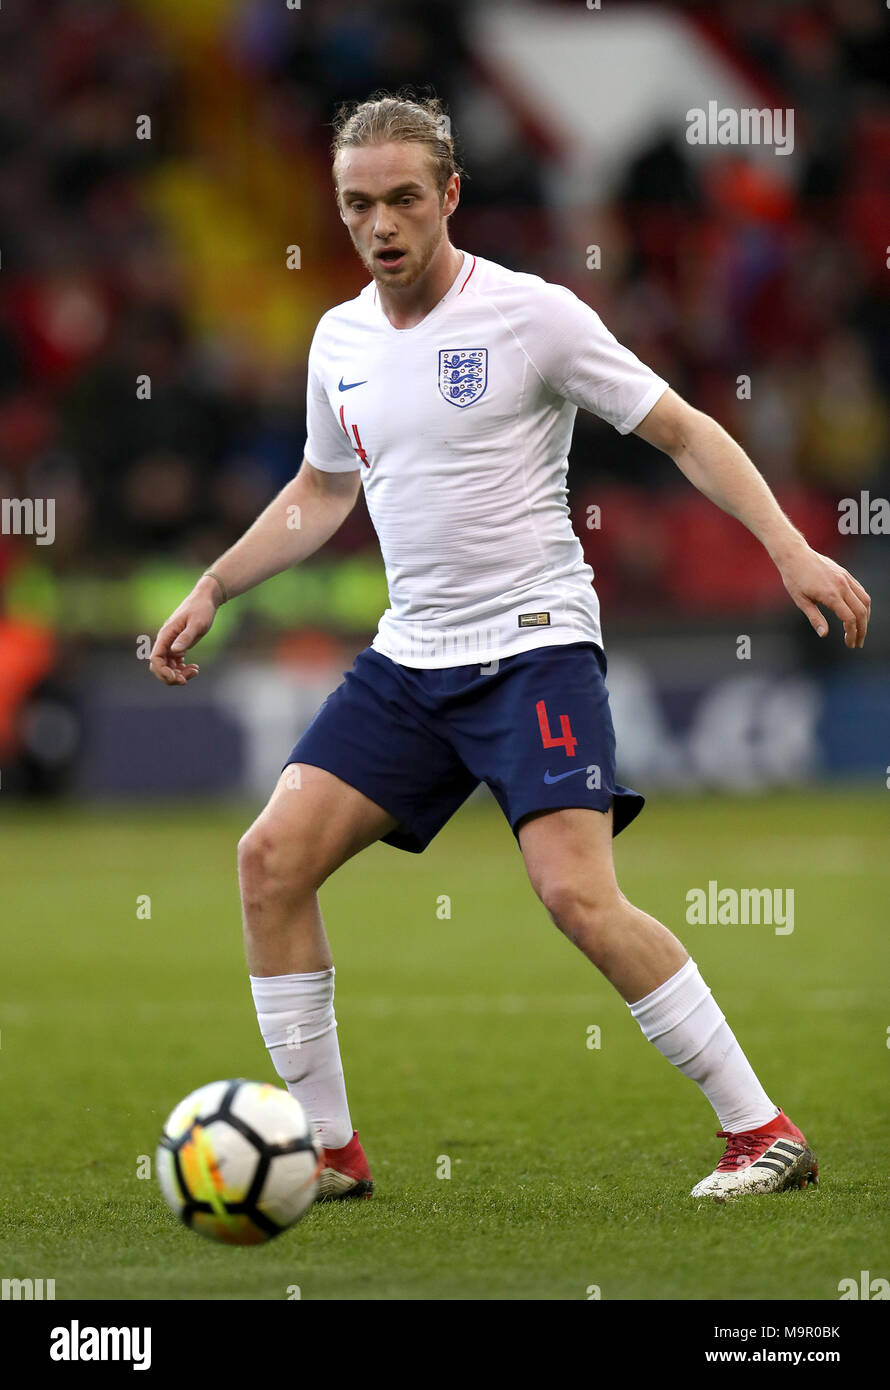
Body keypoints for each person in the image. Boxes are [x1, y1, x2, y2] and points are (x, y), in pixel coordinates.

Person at [150, 95, 870, 1203]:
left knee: (573, 894)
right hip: (409, 661)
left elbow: (678, 425)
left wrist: (787, 548)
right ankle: (332, 1153)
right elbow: (319, 489)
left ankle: (761, 1130)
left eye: (401, 198)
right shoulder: (337, 339)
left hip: (533, 650)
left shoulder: (531, 316)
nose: (380, 224)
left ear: (447, 195)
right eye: (356, 203)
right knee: (269, 862)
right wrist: (214, 583)